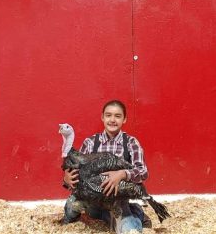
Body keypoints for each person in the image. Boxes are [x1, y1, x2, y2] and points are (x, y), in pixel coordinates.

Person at [62, 99, 150, 233]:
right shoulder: (91, 142)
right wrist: (67, 179)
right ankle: (114, 214)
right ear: (102, 117)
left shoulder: (131, 143)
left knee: (128, 229)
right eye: (108, 115)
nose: (112, 120)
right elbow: (77, 172)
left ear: (124, 119)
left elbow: (143, 172)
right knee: (70, 209)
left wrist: (122, 174)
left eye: (118, 116)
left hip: (117, 200)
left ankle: (134, 215)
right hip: (92, 199)